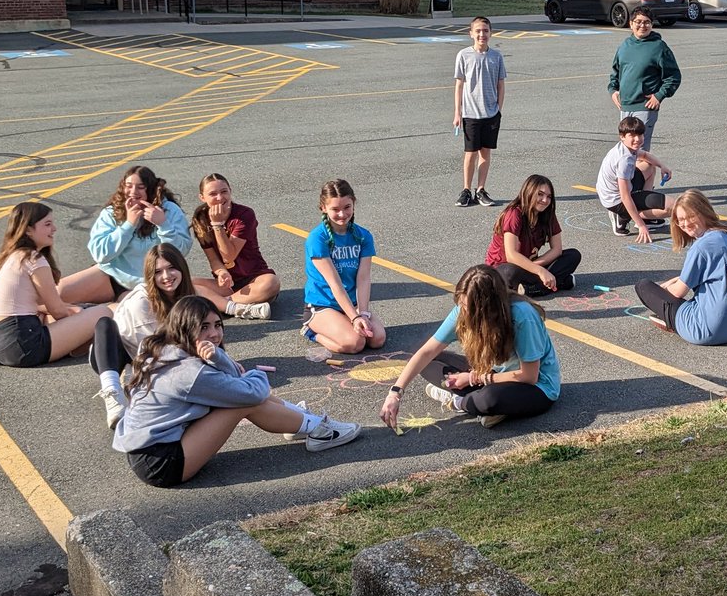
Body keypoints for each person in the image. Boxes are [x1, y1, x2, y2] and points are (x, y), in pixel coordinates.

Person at [113, 296, 359, 487]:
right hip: (161, 464)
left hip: (152, 449)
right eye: (203, 327)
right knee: (243, 401)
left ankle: (306, 424)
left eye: (217, 325)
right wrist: (236, 367)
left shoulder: (168, 349)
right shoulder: (188, 373)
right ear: (184, 329)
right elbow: (253, 393)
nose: (214, 333)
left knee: (238, 395)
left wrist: (221, 359)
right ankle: (318, 431)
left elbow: (235, 381)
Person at [379, 265, 560, 431]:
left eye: (468, 307)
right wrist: (395, 393)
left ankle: (458, 402)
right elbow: (427, 351)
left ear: (487, 308)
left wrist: (477, 378)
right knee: (426, 362)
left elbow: (529, 376)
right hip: (491, 375)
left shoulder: (522, 316)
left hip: (536, 388)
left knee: (488, 400)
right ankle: (484, 406)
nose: (462, 311)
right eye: (461, 304)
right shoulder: (462, 310)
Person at [0, 203, 112, 367]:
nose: (54, 229)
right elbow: (57, 310)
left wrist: (73, 312)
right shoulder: (33, 258)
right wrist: (79, 313)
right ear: (28, 230)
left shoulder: (8, 256)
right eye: (48, 224)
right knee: (102, 313)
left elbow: (33, 306)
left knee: (51, 316)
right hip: (22, 346)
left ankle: (75, 345)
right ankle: (83, 347)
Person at [89, 243, 195, 429]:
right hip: (114, 354)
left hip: (155, 354)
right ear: (150, 276)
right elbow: (153, 352)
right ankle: (112, 391)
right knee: (104, 323)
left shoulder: (189, 295)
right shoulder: (142, 303)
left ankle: (129, 378)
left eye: (171, 268)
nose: (166, 276)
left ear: (182, 268)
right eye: (158, 272)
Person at [58, 165, 193, 303]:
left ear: (151, 188)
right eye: (129, 186)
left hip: (153, 282)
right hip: (112, 275)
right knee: (58, 293)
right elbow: (100, 255)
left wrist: (163, 224)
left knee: (123, 312)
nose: (133, 192)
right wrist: (128, 225)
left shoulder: (169, 210)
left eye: (141, 187)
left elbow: (181, 250)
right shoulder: (112, 212)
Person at [634, 190, 727, 345]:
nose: (686, 224)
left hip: (706, 331)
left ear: (703, 212)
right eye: (681, 219)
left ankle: (674, 322)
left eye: (691, 217)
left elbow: (678, 292)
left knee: (644, 286)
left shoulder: (701, 247)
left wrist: (664, 290)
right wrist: (678, 279)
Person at [301, 179, 387, 353]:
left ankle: (349, 320)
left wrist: (363, 313)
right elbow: (335, 284)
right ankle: (311, 331)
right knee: (355, 343)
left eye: (347, 207)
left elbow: (363, 279)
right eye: (335, 209)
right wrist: (354, 318)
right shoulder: (317, 238)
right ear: (323, 208)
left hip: (351, 303)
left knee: (377, 339)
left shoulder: (363, 236)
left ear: (354, 203)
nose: (342, 214)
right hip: (323, 305)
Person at [189, 173, 280, 319]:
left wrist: (217, 224)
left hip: (254, 279)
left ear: (230, 191)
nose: (220, 197)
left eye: (224, 191)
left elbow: (228, 255)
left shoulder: (244, 215)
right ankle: (239, 307)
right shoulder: (200, 219)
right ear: (202, 198)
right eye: (213, 194)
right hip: (227, 285)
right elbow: (213, 259)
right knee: (185, 282)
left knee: (271, 282)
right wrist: (221, 273)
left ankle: (221, 305)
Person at [485, 174, 581, 297]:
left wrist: (535, 267)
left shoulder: (548, 214)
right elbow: (511, 255)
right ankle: (557, 283)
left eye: (549, 196)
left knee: (573, 255)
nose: (545, 200)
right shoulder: (514, 213)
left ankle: (532, 289)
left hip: (530, 265)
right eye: (540, 194)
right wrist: (540, 271)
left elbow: (557, 249)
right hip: (504, 268)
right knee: (509, 272)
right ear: (528, 192)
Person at [607, 6, 681, 151]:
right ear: (631, 24)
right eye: (638, 22)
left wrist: (659, 96)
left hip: (644, 107)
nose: (642, 25)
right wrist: (613, 90)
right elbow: (615, 72)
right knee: (626, 150)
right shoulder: (624, 46)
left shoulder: (659, 47)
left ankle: (641, 174)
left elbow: (673, 76)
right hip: (625, 105)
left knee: (639, 151)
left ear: (651, 25)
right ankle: (628, 174)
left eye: (647, 22)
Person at [454, 16, 506, 207]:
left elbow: (501, 84)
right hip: (470, 114)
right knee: (470, 153)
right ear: (471, 34)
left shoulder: (496, 57)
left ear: (490, 33)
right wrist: (457, 113)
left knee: (485, 153)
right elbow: (459, 85)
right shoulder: (464, 55)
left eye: (485, 31)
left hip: (491, 114)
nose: (481, 34)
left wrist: (498, 109)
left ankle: (480, 190)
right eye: (478, 31)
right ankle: (466, 190)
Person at [596, 115, 673, 243]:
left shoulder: (627, 147)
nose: (637, 139)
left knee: (649, 166)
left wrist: (662, 166)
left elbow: (645, 155)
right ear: (622, 136)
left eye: (640, 135)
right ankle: (625, 217)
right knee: (671, 207)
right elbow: (625, 196)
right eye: (632, 135)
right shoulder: (623, 160)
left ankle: (643, 215)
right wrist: (641, 226)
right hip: (616, 201)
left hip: (613, 192)